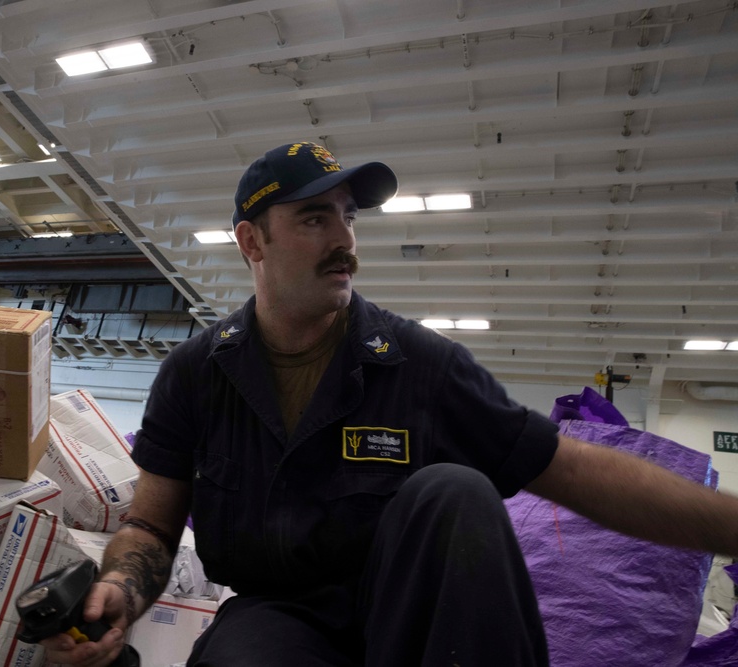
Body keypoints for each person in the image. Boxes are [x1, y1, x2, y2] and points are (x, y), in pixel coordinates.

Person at [42, 142, 738, 666]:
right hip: (281, 614)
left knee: (455, 491)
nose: (344, 239)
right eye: (315, 218)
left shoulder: (422, 364)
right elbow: (153, 528)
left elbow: (574, 470)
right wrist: (121, 594)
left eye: (347, 217)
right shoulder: (195, 375)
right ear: (251, 241)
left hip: (417, 615)